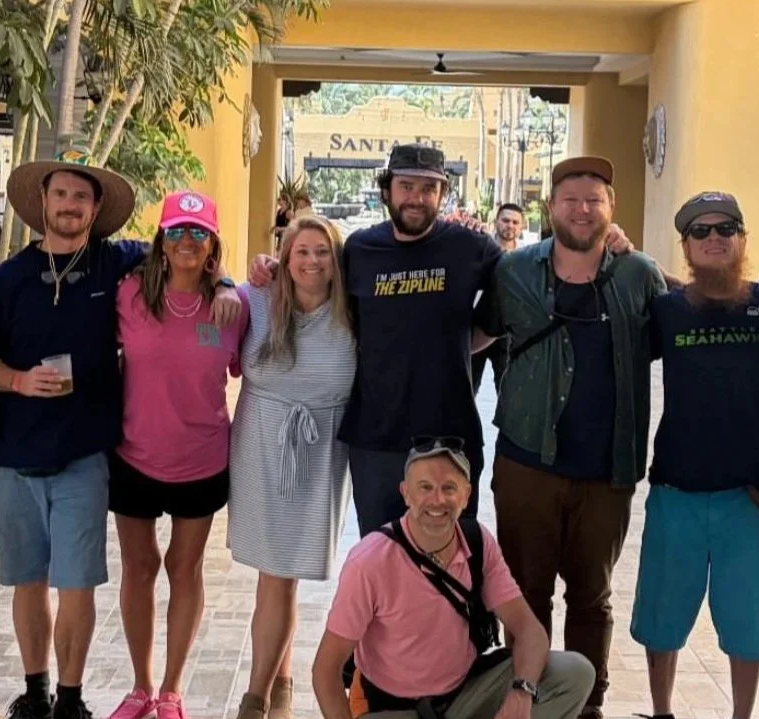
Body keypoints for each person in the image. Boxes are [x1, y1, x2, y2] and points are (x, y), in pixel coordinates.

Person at [0, 149, 242, 719]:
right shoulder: (11, 278)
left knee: (79, 584)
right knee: (29, 581)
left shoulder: (115, 264)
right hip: (23, 452)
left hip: (90, 453)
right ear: (42, 202)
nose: (70, 206)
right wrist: (17, 381)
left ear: (96, 210)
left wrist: (227, 279)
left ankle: (77, 702)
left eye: (81, 197)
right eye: (61, 195)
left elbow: (192, 260)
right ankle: (38, 696)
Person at [247, 145, 633, 537]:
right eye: (407, 186)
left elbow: (537, 270)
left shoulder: (471, 248)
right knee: (383, 555)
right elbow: (312, 279)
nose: (416, 198)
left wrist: (603, 239)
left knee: (451, 556)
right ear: (387, 190)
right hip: (376, 438)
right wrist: (271, 268)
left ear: (443, 194)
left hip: (451, 435)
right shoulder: (360, 250)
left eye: (429, 188)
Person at [313, 438, 595, 719]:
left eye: (449, 488)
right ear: (405, 493)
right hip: (393, 711)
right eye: (425, 487)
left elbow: (530, 632)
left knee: (572, 672)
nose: (437, 500)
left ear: (466, 494)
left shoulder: (477, 542)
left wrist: (521, 694)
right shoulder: (370, 561)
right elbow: (324, 669)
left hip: (464, 692)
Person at [472, 157, 664, 719]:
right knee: (524, 594)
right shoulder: (513, 271)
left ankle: (588, 715)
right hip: (527, 460)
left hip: (607, 468)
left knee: (591, 596)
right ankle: (520, 706)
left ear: (611, 209)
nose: (583, 209)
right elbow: (475, 337)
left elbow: (678, 336)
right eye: (571, 199)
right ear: (550, 208)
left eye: (595, 200)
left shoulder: (639, 275)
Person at [631, 193, 759, 719]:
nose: (714, 238)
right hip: (678, 487)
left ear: (743, 239)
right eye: (701, 231)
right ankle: (661, 718)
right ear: (687, 247)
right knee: (662, 614)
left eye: (726, 228)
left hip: (751, 498)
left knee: (748, 623)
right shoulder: (667, 311)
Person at [101, 191, 247, 719]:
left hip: (201, 460)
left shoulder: (232, 308)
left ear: (212, 244)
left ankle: (171, 692)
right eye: (178, 231)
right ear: (161, 241)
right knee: (139, 567)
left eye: (198, 232)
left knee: (185, 569)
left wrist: (229, 284)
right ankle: (141, 689)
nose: (187, 241)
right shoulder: (129, 295)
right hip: (134, 455)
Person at [225, 215, 356, 719]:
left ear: (336, 260)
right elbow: (216, 296)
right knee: (276, 575)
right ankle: (268, 691)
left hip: (321, 451)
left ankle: (267, 692)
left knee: (283, 575)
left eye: (322, 252)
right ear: (284, 256)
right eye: (301, 251)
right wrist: (231, 283)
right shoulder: (258, 299)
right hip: (260, 443)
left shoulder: (353, 312)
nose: (311, 261)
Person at [470, 203, 523, 397]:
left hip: (507, 333)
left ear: (522, 227)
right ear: (496, 222)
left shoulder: (526, 257)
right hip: (477, 329)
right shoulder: (480, 250)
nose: (510, 225)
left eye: (515, 222)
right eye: (506, 220)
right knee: (467, 389)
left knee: (507, 390)